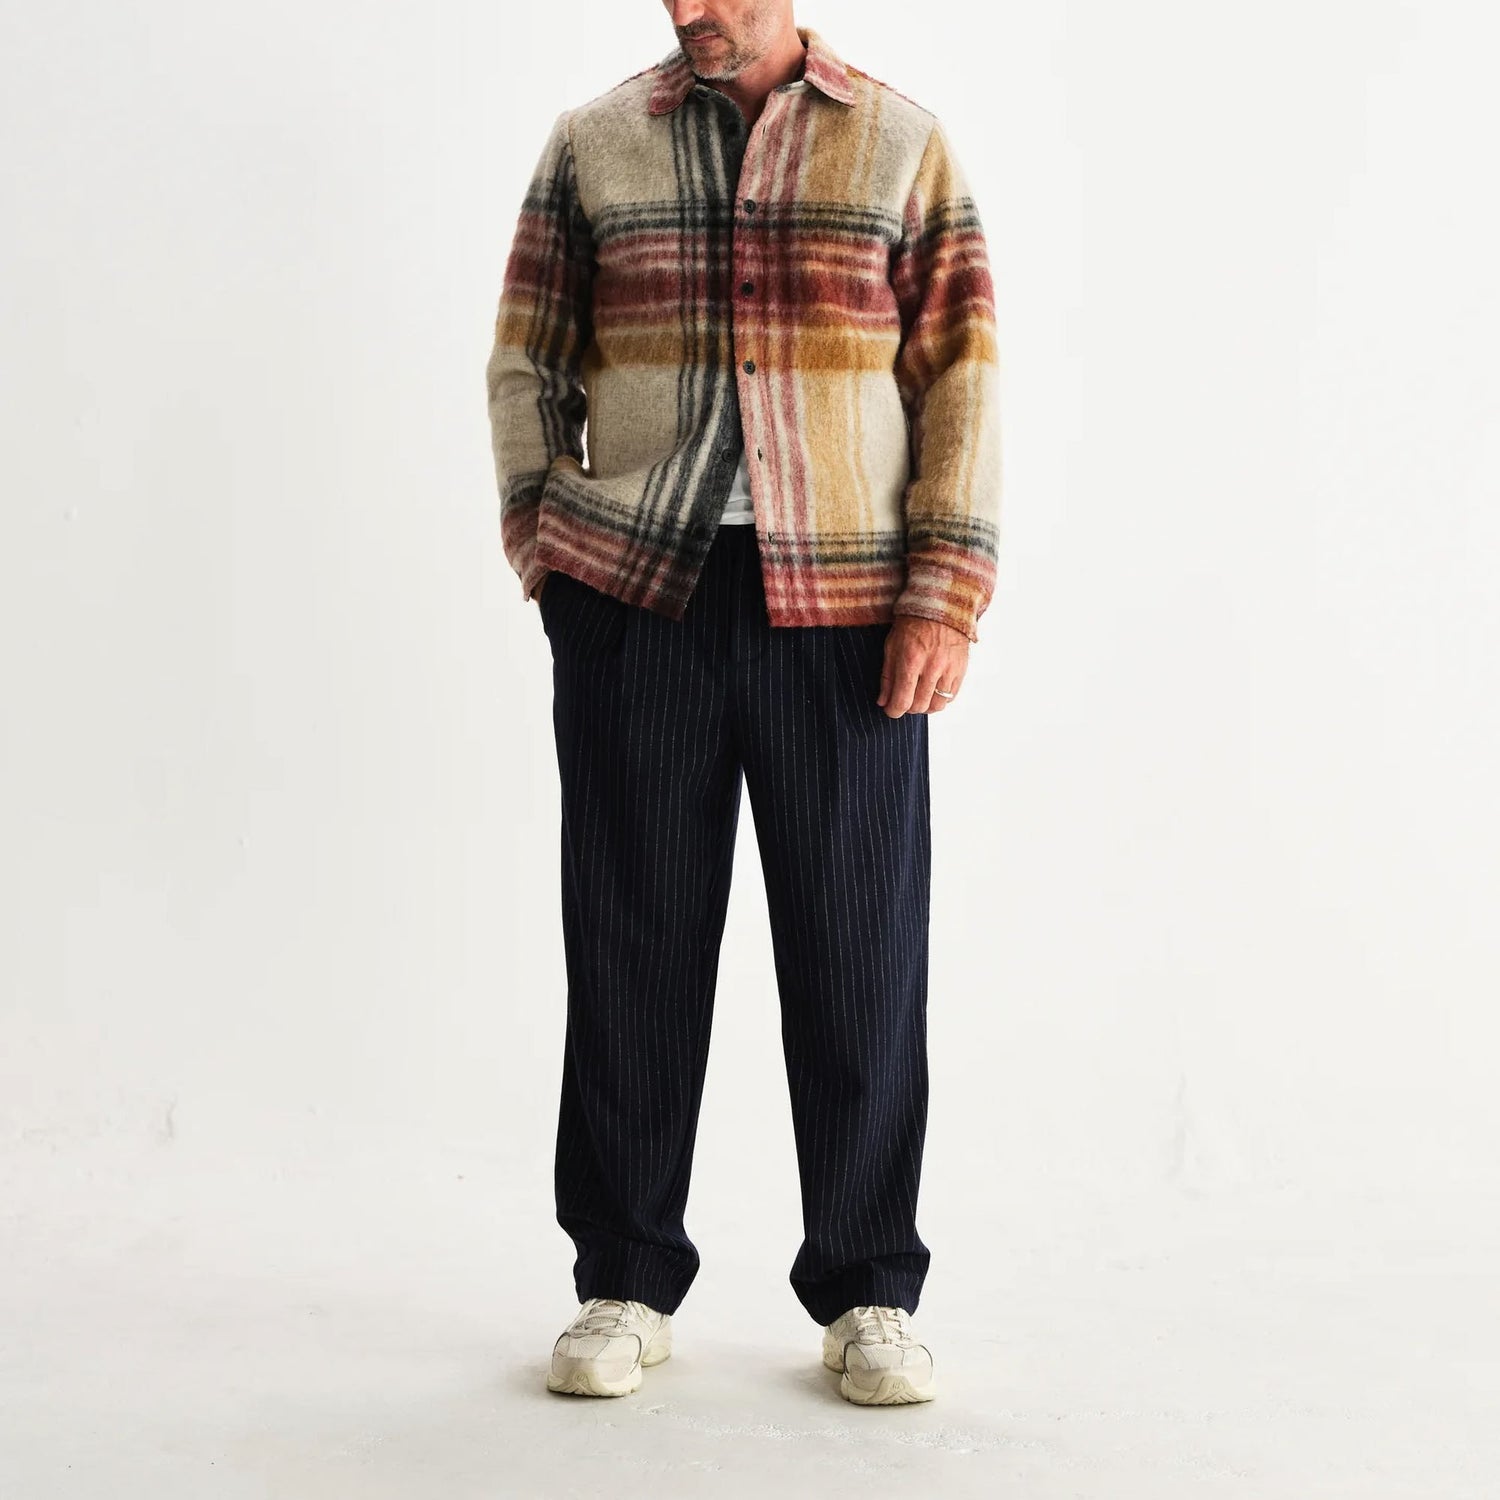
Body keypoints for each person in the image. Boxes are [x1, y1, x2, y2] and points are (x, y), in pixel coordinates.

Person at [485, 0, 1000, 1406]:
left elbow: (958, 376)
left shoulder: (899, 142)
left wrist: (944, 592)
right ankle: (623, 1278)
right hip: (635, 597)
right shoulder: (595, 142)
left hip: (844, 609)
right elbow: (528, 356)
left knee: (860, 950)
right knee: (631, 944)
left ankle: (869, 1287)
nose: (688, 10)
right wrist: (548, 547)